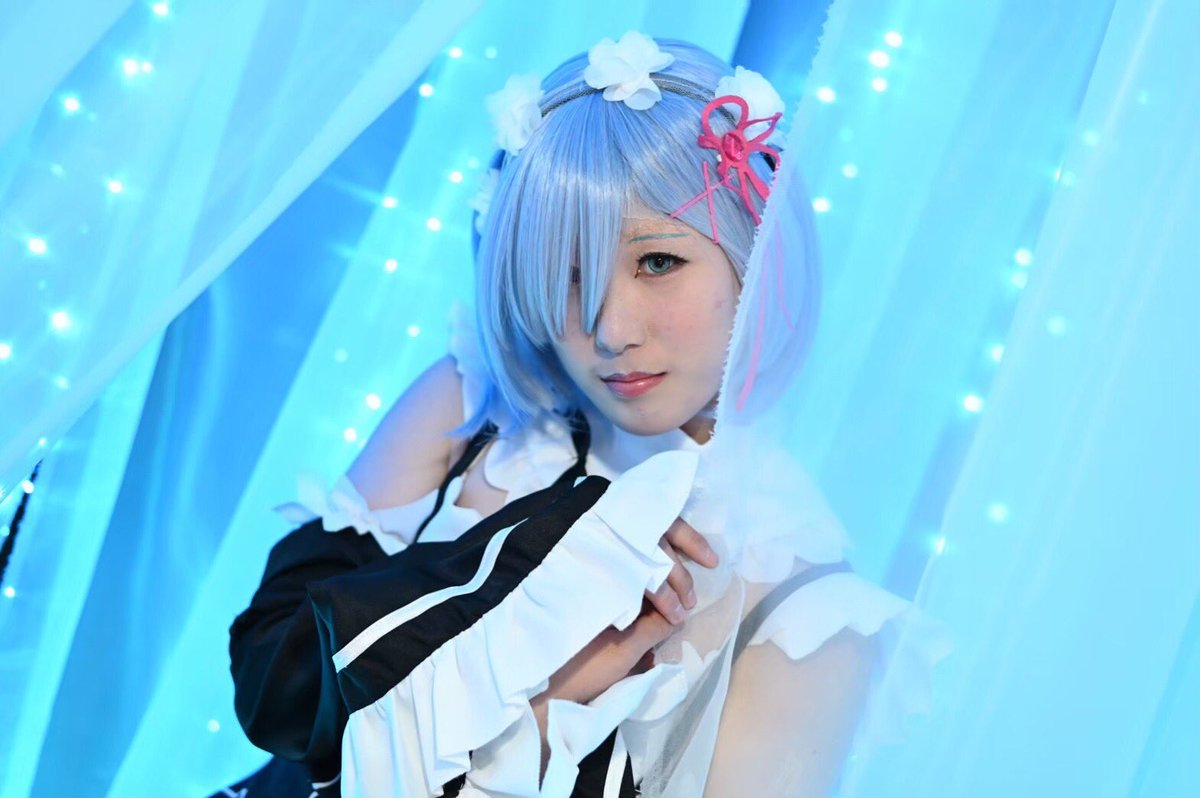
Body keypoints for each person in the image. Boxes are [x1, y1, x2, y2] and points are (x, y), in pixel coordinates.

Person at [214, 32, 944, 798]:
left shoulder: (808, 619)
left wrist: (536, 714)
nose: (611, 329)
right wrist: (533, 564)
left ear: (753, 255)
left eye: (657, 261)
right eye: (565, 276)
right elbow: (276, 690)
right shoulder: (473, 411)